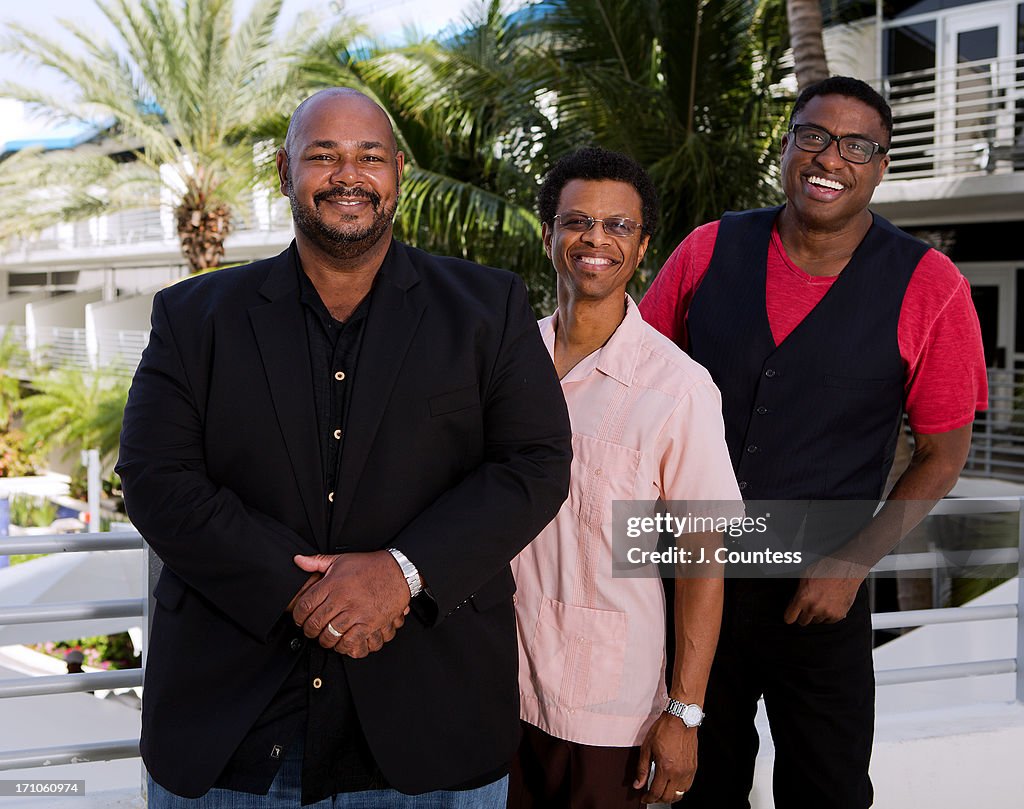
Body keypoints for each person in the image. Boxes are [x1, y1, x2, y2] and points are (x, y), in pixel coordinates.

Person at [116, 87, 572, 808]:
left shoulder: (488, 307)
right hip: (232, 737)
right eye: (322, 156)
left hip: (432, 730)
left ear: (398, 172)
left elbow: (537, 461)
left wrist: (402, 573)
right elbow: (153, 476)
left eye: (368, 157)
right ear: (283, 170)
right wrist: (299, 589)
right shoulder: (193, 317)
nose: (347, 175)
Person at [639, 76, 988, 809]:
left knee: (827, 792)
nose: (832, 157)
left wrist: (853, 560)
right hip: (692, 580)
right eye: (815, 135)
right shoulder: (708, 250)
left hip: (821, 593)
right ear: (788, 146)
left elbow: (944, 453)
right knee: (694, 788)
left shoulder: (932, 285)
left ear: (882, 165)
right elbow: (636, 383)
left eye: (858, 144)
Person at [508, 147, 740, 808]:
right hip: (496, 689)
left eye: (618, 227)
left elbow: (704, 559)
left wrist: (686, 711)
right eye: (577, 221)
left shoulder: (679, 388)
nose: (595, 239)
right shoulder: (506, 361)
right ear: (547, 232)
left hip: (608, 711)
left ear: (641, 249)